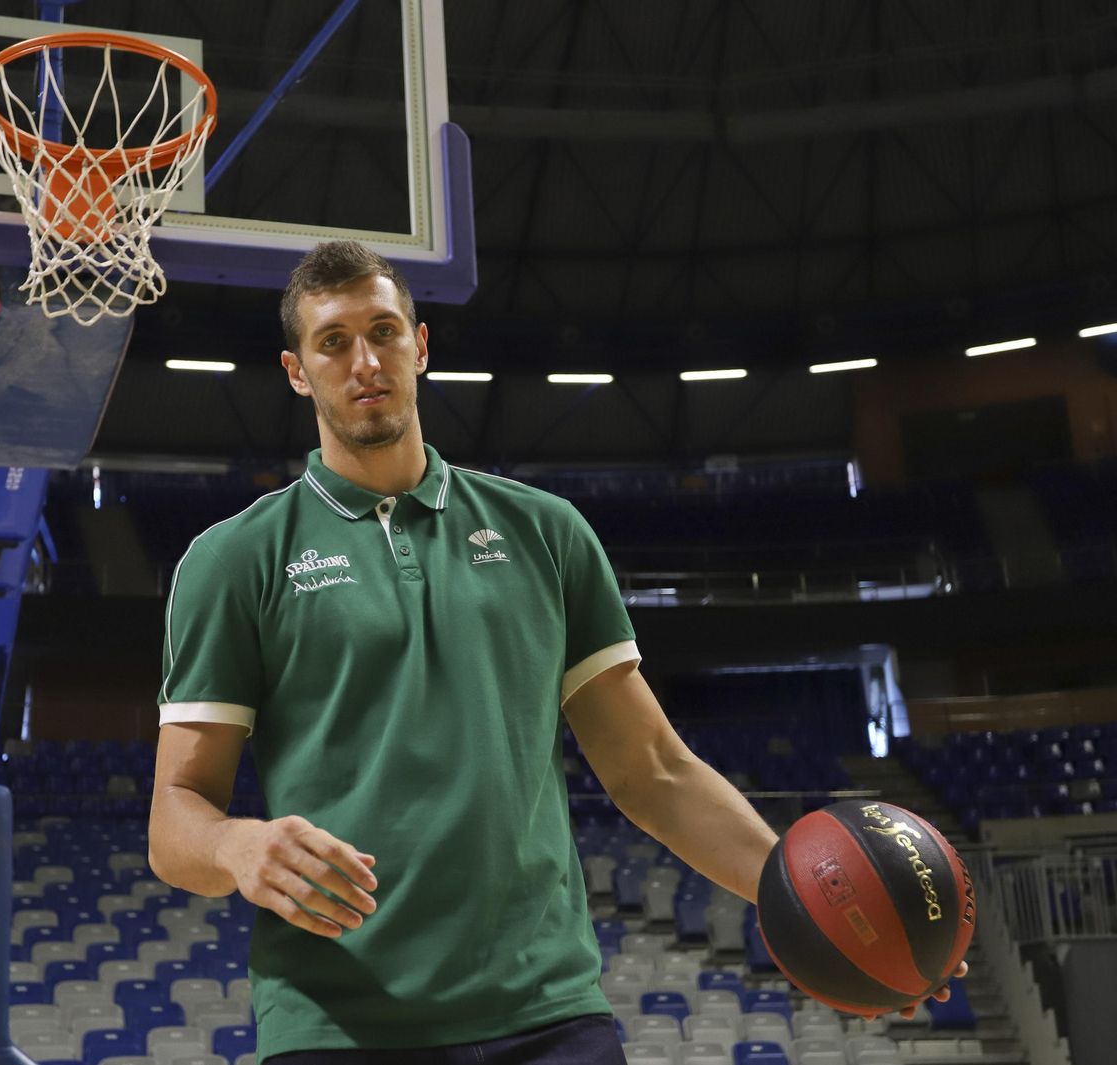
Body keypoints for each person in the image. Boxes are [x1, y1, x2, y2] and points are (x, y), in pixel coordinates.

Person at [147, 240, 962, 1064]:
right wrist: (235, 846)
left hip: (547, 1014)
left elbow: (652, 770)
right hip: (335, 1024)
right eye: (333, 341)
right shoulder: (233, 559)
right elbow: (175, 814)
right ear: (296, 370)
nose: (365, 360)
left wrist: (817, 910)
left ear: (420, 347)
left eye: (384, 331)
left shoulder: (546, 531)